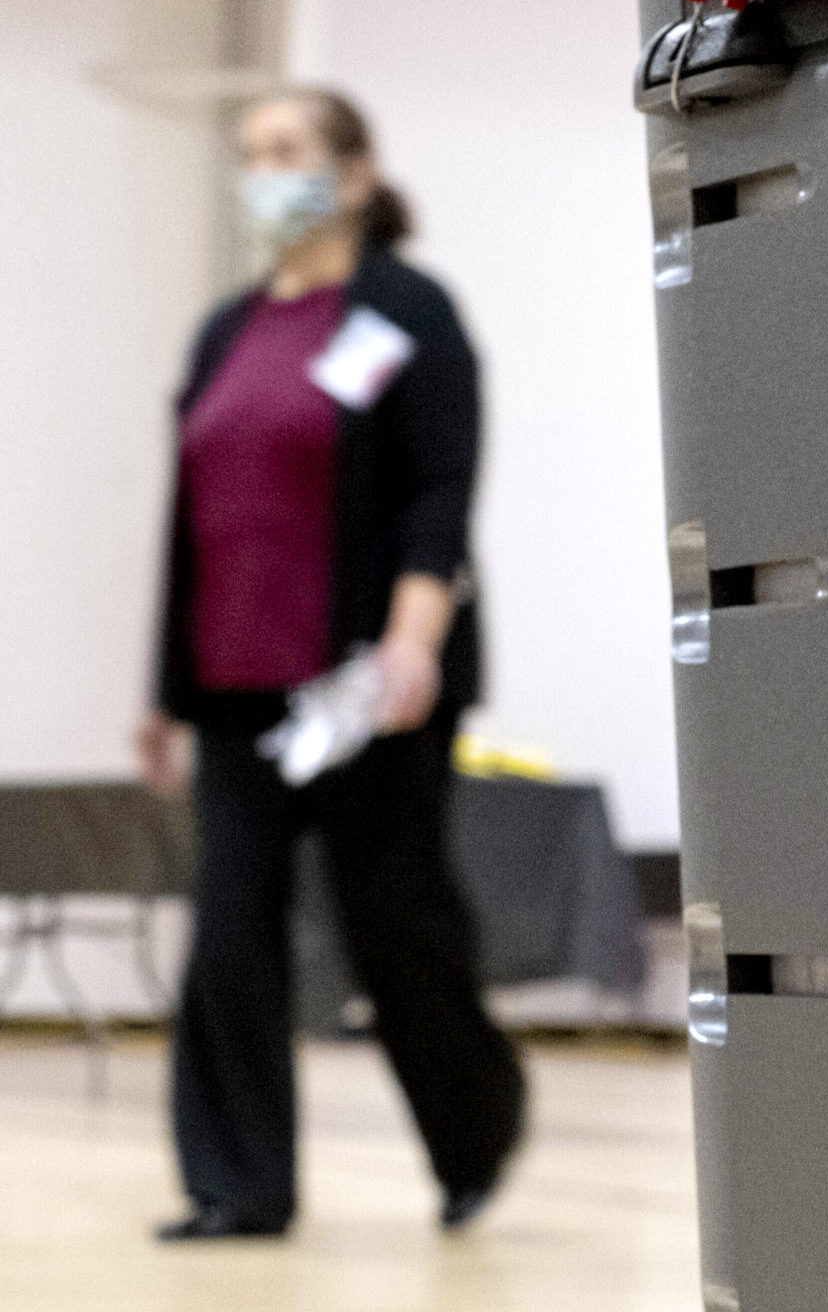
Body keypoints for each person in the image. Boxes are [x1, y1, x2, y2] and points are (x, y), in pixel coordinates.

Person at [135, 88, 524, 1240]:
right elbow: (193, 519)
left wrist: (411, 642)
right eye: (251, 156)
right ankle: (240, 1184)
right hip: (234, 688)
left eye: (289, 152)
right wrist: (164, 695)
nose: (266, 173)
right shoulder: (226, 329)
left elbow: (439, 491)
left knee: (396, 926)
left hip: (368, 690)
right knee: (228, 930)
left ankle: (474, 1127)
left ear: (353, 175)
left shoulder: (408, 309)